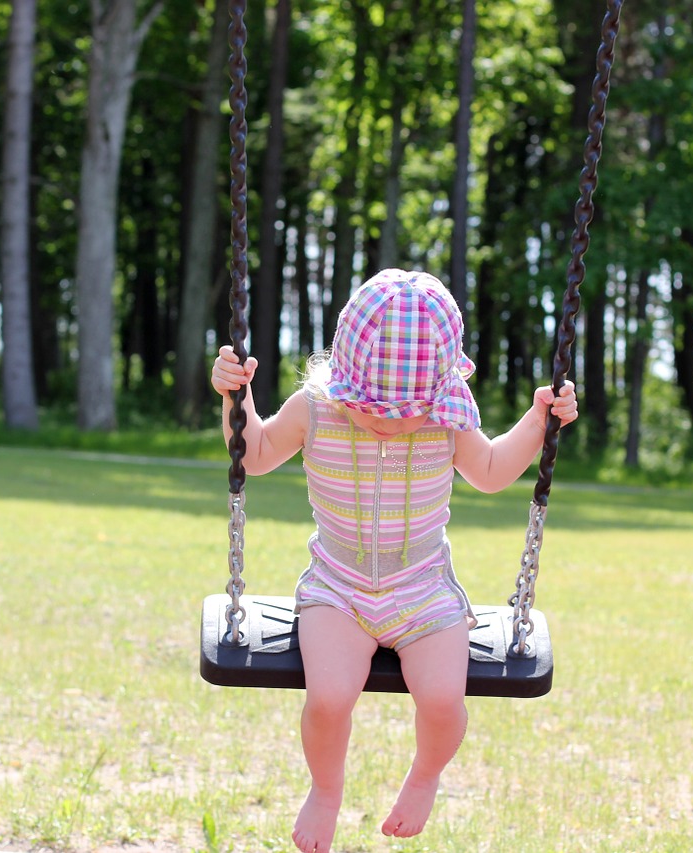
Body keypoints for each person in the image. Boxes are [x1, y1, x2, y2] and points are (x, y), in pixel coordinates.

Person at [210, 269, 578, 853]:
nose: (385, 419)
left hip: (425, 589)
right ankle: (326, 790)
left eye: (400, 410)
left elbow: (489, 472)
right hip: (338, 587)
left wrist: (539, 421)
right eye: (371, 406)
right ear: (343, 380)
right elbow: (253, 454)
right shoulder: (315, 408)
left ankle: (425, 776)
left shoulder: (444, 416)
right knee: (328, 699)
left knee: (442, 702)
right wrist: (239, 396)